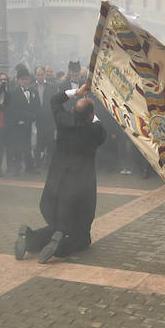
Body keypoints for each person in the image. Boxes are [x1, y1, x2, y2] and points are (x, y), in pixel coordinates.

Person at [15, 83, 106, 263]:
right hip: (79, 187)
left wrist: (77, 92)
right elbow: (101, 131)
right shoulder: (94, 130)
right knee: (82, 236)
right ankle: (60, 247)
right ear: (90, 115)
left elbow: (55, 100)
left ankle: (30, 238)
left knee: (58, 225)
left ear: (73, 110)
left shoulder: (63, 120)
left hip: (57, 183)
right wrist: (93, 115)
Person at [3, 66, 39, 175]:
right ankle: (16, 168)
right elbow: (12, 110)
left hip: (29, 124)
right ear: (18, 80)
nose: (25, 81)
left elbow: (36, 106)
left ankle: (29, 167)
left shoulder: (33, 92)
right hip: (17, 125)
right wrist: (27, 115)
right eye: (22, 79)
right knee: (17, 146)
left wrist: (34, 116)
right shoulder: (12, 93)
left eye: (27, 79)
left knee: (28, 145)